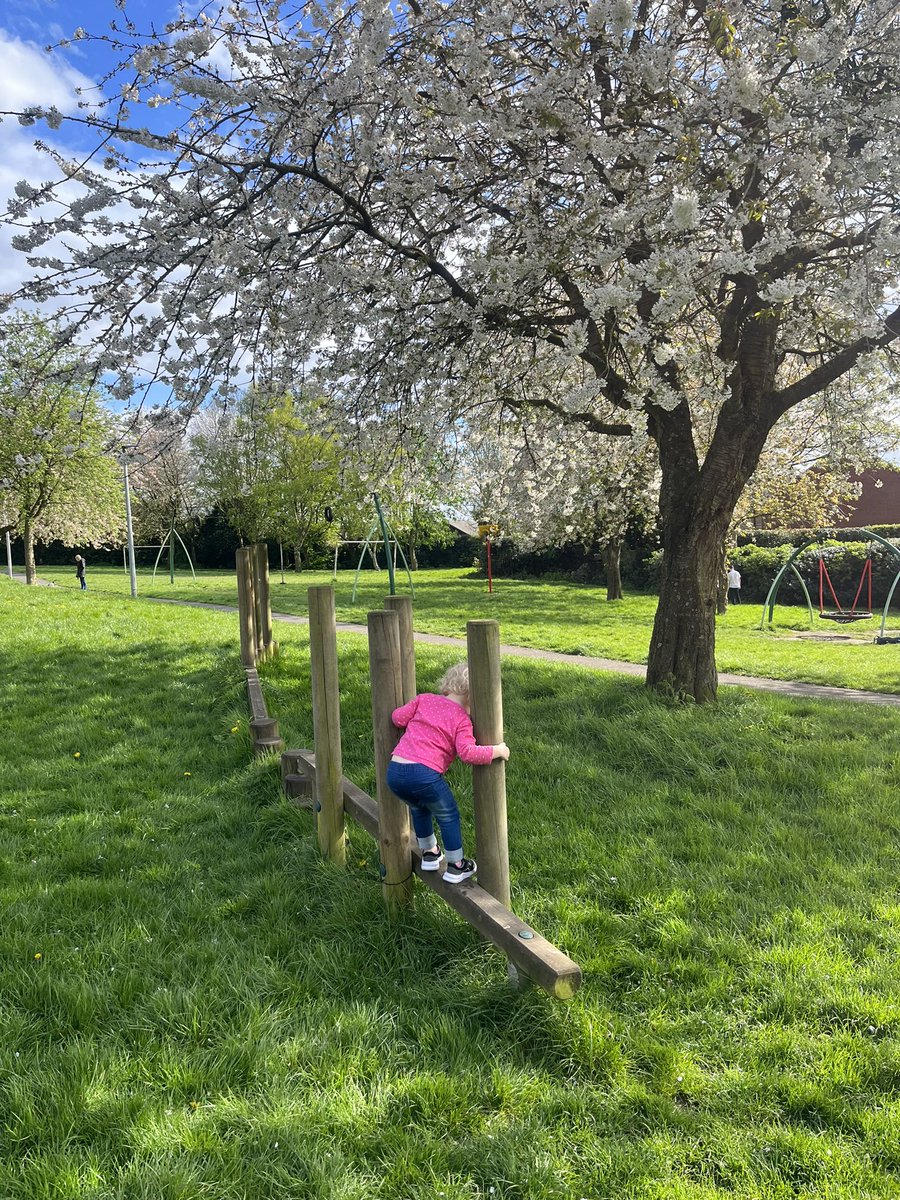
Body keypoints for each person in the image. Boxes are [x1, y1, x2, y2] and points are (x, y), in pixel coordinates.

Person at [386, 662, 510, 884]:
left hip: (395, 772)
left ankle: (430, 853)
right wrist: (497, 750)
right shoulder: (462, 719)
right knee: (448, 814)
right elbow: (468, 753)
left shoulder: (424, 700)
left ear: (448, 686)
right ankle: (456, 865)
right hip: (424, 774)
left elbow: (397, 718)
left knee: (419, 807)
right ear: (473, 699)